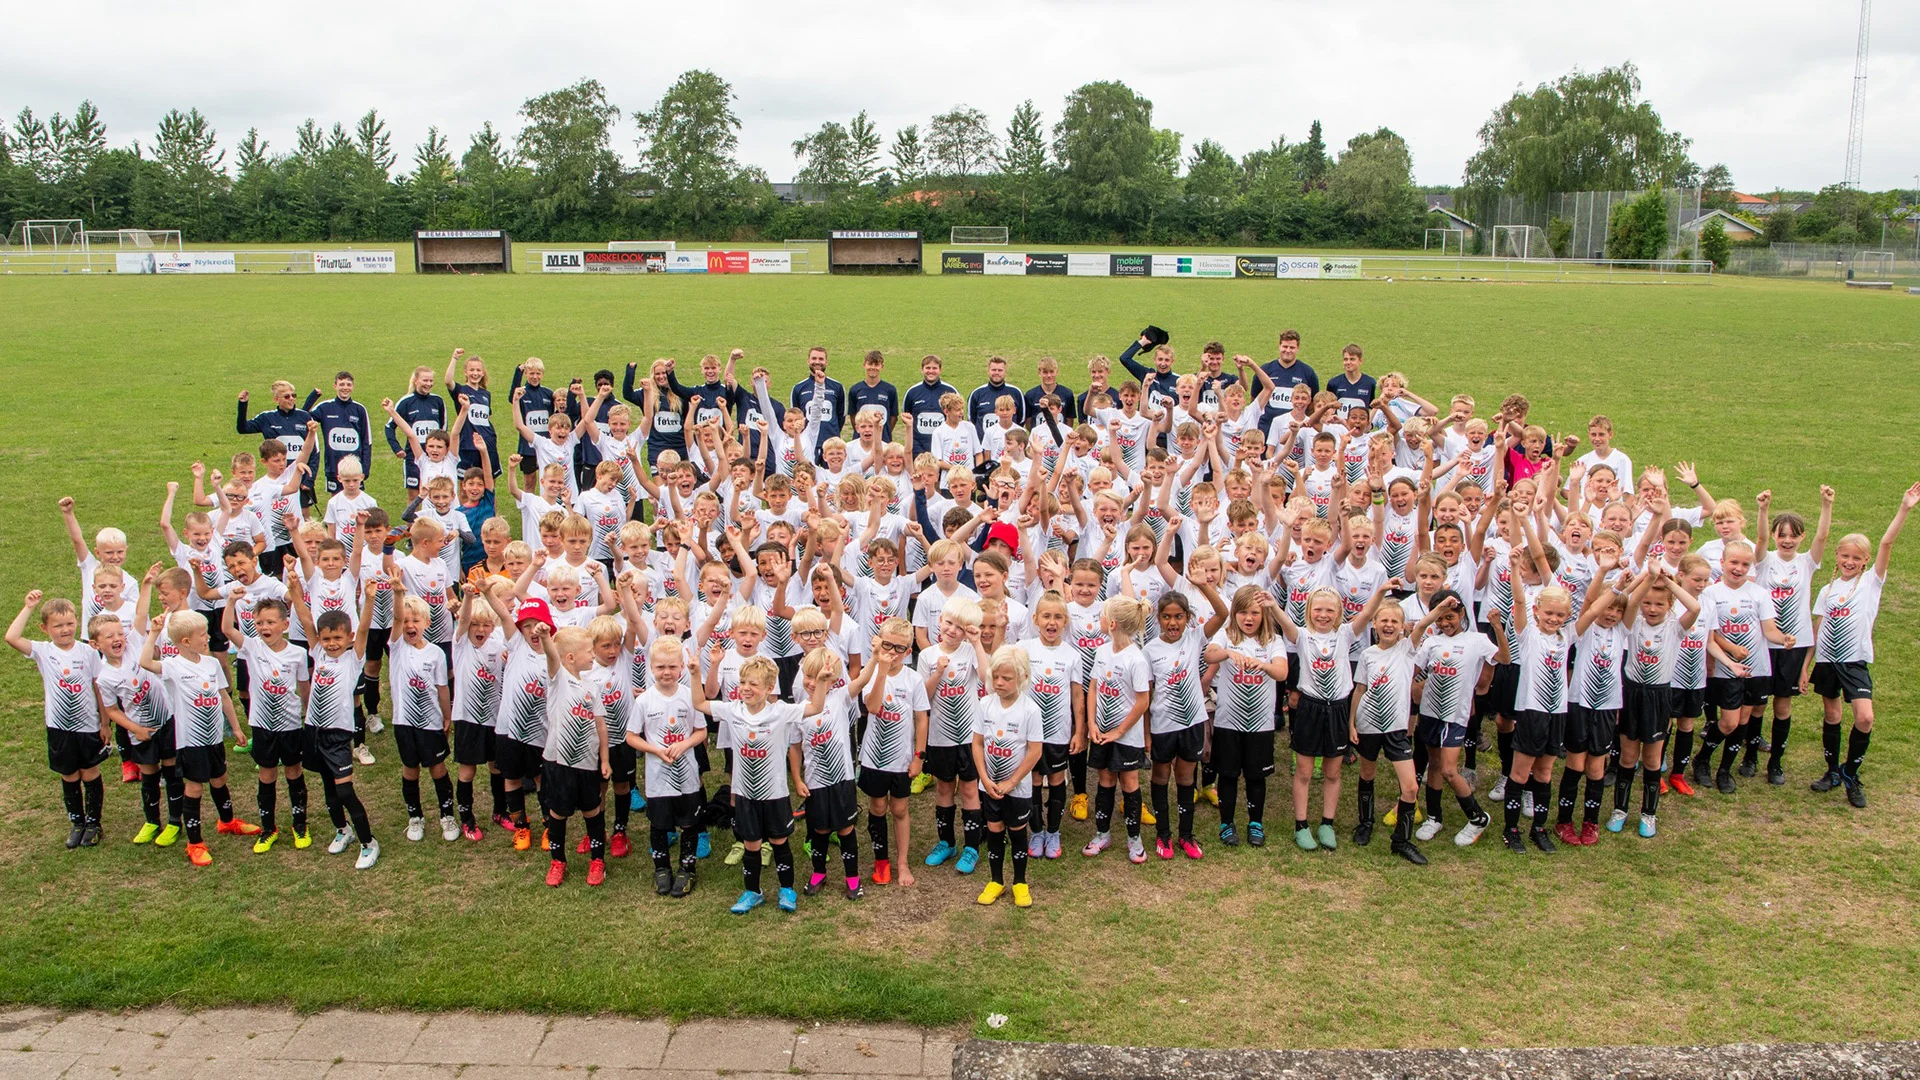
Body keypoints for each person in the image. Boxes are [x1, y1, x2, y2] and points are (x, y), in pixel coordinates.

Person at [1805, 482, 1919, 808]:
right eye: (1845, 555)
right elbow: (1817, 629)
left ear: (1866, 560)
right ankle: (1832, 772)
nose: (1849, 561)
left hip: (1854, 662)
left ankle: (1851, 773)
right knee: (1832, 715)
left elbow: (1887, 541)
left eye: (1856, 557)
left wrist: (1905, 508)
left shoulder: (1871, 582)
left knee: (1865, 717)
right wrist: (1805, 666)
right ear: (1837, 556)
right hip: (1826, 662)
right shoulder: (1827, 591)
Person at [138, 609, 263, 866]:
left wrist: (236, 728)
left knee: (219, 778)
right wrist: (153, 634)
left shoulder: (211, 663)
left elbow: (223, 696)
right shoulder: (173, 666)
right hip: (190, 741)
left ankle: (227, 822)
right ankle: (194, 843)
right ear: (185, 641)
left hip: (214, 737)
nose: (208, 637)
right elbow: (145, 663)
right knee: (194, 787)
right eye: (203, 634)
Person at [288, 573, 381, 866]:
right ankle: (343, 830)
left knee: (345, 791)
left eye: (337, 638)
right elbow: (305, 619)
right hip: (313, 731)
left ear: (349, 638)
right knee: (329, 791)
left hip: (338, 734)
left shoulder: (353, 658)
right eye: (326, 638)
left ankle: (368, 842)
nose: (330, 644)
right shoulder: (318, 653)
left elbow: (364, 626)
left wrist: (369, 599)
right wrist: (294, 589)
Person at [7, 592, 110, 849]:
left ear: (77, 622)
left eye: (69, 624)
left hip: (88, 726)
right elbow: (11, 637)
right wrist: (28, 607)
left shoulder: (88, 652)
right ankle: (77, 823)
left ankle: (94, 823)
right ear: (45, 628)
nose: (65, 630)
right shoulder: (43, 651)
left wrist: (105, 723)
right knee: (69, 774)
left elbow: (100, 689)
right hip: (59, 727)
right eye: (58, 626)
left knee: (90, 772)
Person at [1751, 486, 1832, 784]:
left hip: (1792, 646)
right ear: (1774, 536)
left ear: (1801, 537)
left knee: (1782, 704)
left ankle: (1775, 763)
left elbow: (1822, 537)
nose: (1787, 540)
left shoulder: (1806, 563)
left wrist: (1826, 504)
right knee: (1758, 703)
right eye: (1781, 534)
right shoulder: (1764, 560)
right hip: (1762, 641)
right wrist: (1763, 510)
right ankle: (1750, 752)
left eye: (1793, 535)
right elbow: (1758, 539)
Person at [220, 594, 308, 852]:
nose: (264, 628)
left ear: (285, 624)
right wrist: (230, 602)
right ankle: (268, 828)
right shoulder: (251, 647)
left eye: (270, 622)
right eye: (259, 623)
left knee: (294, 771)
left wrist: (308, 718)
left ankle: (299, 824)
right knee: (266, 773)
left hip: (291, 724)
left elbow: (304, 689)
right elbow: (226, 629)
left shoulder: (298, 654)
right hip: (262, 725)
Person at [627, 635, 708, 897]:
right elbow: (631, 736)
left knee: (689, 824)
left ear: (681, 668)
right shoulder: (644, 701)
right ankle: (661, 868)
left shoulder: (690, 697)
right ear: (651, 668)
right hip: (658, 778)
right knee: (659, 825)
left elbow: (701, 732)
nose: (666, 672)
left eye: (672, 667)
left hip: (687, 778)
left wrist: (684, 745)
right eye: (661, 667)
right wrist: (655, 750)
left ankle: (687, 869)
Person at [1349, 600, 1427, 864]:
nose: (1389, 625)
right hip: (1368, 725)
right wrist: (1351, 723)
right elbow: (1359, 690)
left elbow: (1425, 624)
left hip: (1396, 729)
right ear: (1374, 624)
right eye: (1384, 620)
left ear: (1403, 626)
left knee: (1411, 786)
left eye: (1395, 621)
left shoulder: (1406, 649)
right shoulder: (1368, 655)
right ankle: (1365, 823)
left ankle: (1401, 841)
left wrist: (1442, 604)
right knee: (1367, 772)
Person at [1078, 595, 1153, 863]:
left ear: (1111, 623)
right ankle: (1102, 834)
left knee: (1129, 783)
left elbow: (1143, 701)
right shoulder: (1102, 651)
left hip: (1126, 737)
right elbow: (1094, 688)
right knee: (1106, 780)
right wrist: (1093, 724)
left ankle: (1135, 839)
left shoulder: (1137, 659)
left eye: (1101, 614)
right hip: (1101, 734)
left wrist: (1119, 732)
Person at [538, 625, 613, 887]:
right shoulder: (558, 678)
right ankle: (558, 861)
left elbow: (600, 725)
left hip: (587, 762)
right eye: (589, 651)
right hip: (558, 762)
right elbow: (551, 655)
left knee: (592, 811)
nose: (593, 655)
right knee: (558, 813)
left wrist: (604, 759)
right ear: (570, 658)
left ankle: (597, 860)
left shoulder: (593, 687)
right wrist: (547, 637)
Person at [971, 644, 1045, 907]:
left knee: (1016, 833)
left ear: (1022, 678)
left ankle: (1020, 882)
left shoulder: (1030, 710)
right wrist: (985, 779)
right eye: (996, 677)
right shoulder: (984, 704)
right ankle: (995, 880)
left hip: (1018, 789)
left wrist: (1012, 782)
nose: (999, 683)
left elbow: (1035, 751)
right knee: (993, 831)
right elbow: (977, 744)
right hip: (989, 786)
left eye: (1006, 678)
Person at [384, 586, 458, 844]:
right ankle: (415, 817)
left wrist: (447, 717)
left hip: (430, 723)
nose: (409, 625)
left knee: (437, 769)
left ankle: (447, 815)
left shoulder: (436, 653)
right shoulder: (396, 647)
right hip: (404, 723)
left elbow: (442, 688)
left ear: (426, 622)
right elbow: (394, 619)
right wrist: (397, 595)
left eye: (415, 620)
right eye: (405, 621)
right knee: (410, 769)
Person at [1142, 591, 1208, 861]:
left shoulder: (1194, 638)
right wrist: (1146, 735)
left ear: (1187, 618)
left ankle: (1186, 835)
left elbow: (1224, 614)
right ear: (1158, 619)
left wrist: (1204, 585)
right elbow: (1146, 696)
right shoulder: (1149, 650)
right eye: (1167, 617)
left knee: (1185, 778)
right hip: (1162, 725)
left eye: (1179, 617)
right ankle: (1163, 834)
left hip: (1192, 723)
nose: (1172, 623)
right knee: (1160, 777)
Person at [303, 372, 374, 494]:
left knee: (355, 500)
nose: (345, 387)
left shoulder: (359, 409)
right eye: (341, 384)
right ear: (335, 386)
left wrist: (365, 469)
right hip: (333, 466)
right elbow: (302, 417)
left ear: (353, 386)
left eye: (348, 384)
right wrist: (313, 396)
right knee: (335, 500)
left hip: (354, 467)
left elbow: (366, 440)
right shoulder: (325, 407)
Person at [383, 366, 447, 495]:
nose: (428, 384)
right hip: (413, 458)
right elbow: (389, 427)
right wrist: (397, 448)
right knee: (414, 496)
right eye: (425, 380)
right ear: (416, 380)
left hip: (435, 458)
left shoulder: (438, 401)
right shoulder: (406, 402)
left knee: (436, 494)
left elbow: (444, 430)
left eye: (431, 381)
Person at [445, 349, 499, 477]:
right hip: (467, 445)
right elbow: (448, 381)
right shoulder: (460, 390)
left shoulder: (486, 394)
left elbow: (487, 418)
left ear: (483, 372)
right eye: (472, 370)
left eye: (478, 370)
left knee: (489, 486)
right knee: (465, 487)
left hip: (487, 444)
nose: (475, 373)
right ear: (466, 372)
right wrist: (454, 358)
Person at [967, 355, 1025, 442]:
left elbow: (1021, 420)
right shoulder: (976, 393)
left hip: (1010, 447)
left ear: (1005, 372)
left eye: (1000, 370)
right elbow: (971, 421)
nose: (996, 373)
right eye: (993, 370)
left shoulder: (1016, 392)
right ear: (988, 371)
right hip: (984, 449)